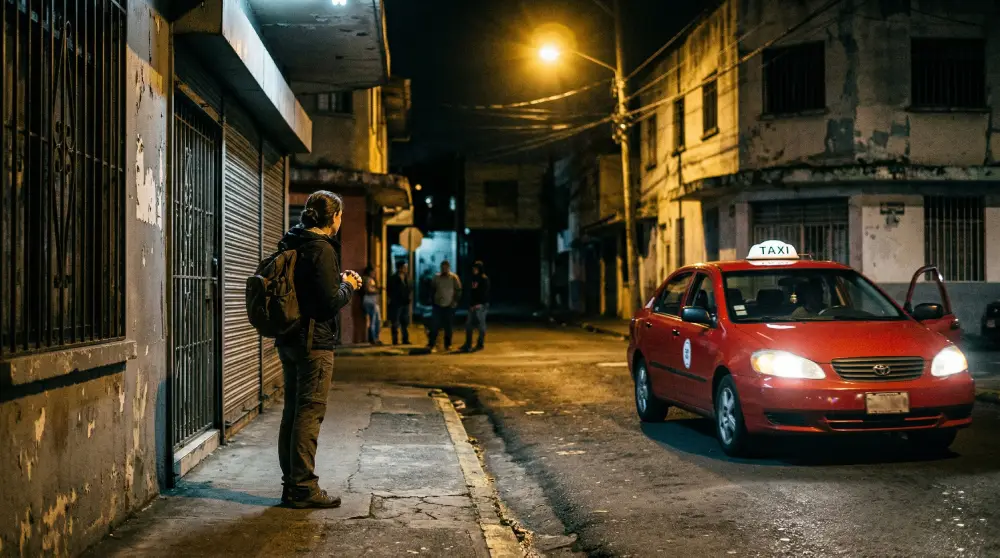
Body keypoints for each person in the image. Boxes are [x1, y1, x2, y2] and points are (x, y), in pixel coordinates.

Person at [275, 190, 361, 509]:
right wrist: (348, 286)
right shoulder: (321, 248)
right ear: (333, 217)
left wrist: (334, 284)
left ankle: (291, 484)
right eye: (340, 216)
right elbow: (327, 304)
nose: (341, 221)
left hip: (290, 338)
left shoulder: (292, 241)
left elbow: (309, 290)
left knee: (293, 413)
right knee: (310, 413)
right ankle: (302, 488)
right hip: (314, 343)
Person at [427, 260, 462, 351]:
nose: (444, 269)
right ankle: (431, 343)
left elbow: (458, 290)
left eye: (446, 267)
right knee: (434, 325)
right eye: (442, 267)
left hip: (449, 305)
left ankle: (448, 344)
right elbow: (432, 289)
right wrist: (432, 300)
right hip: (438, 305)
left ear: (449, 268)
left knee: (448, 326)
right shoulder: (436, 277)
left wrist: (455, 302)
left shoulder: (454, 277)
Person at [461, 260, 490, 352]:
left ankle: (480, 343)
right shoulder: (473, 278)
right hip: (473, 305)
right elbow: (472, 292)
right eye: (473, 268)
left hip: (481, 305)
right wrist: (471, 304)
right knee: (468, 325)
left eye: (476, 268)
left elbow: (483, 293)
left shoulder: (484, 279)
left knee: (481, 326)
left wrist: (478, 304)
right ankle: (468, 344)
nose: (474, 270)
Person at [387, 262, 412, 345]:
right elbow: (390, 290)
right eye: (405, 267)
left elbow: (409, 288)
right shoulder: (393, 278)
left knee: (405, 322)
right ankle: (395, 340)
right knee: (395, 322)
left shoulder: (406, 277)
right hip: (396, 303)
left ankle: (405, 339)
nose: (406, 269)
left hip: (405, 303)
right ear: (400, 268)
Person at [361, 265, 382, 345]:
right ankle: (373, 339)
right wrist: (377, 291)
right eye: (373, 272)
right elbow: (368, 290)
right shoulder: (368, 279)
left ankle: (375, 338)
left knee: (377, 321)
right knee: (374, 321)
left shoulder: (371, 279)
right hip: (370, 302)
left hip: (373, 302)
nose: (374, 273)